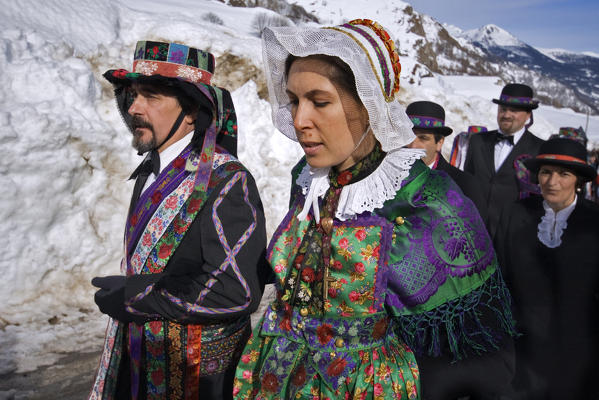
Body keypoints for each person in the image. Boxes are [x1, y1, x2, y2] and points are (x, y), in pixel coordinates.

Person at [233, 19, 516, 400]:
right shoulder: (307, 177)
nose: (299, 120)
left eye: (319, 102)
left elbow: (475, 343)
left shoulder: (420, 193)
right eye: (294, 100)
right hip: (278, 375)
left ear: (369, 107)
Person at [89, 40, 269, 400]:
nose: (134, 107)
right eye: (134, 95)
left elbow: (234, 292)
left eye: (151, 97)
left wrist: (136, 296)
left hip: (198, 379)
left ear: (191, 111)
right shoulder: (150, 169)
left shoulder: (227, 181)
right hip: (141, 361)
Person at [494, 137, 599, 399]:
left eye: (563, 174)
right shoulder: (515, 213)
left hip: (577, 354)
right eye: (545, 172)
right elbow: (499, 276)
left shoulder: (595, 223)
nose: (552, 182)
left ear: (578, 181)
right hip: (520, 351)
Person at [464, 83, 544, 236]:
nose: (506, 114)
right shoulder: (478, 141)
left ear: (528, 115)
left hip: (513, 236)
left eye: (513, 110)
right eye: (503, 109)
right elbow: (468, 181)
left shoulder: (539, 149)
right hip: (472, 232)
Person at [405, 101, 487, 221]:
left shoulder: (465, 187)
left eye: (423, 138)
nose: (413, 146)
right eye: (408, 136)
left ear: (439, 143)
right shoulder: (383, 182)